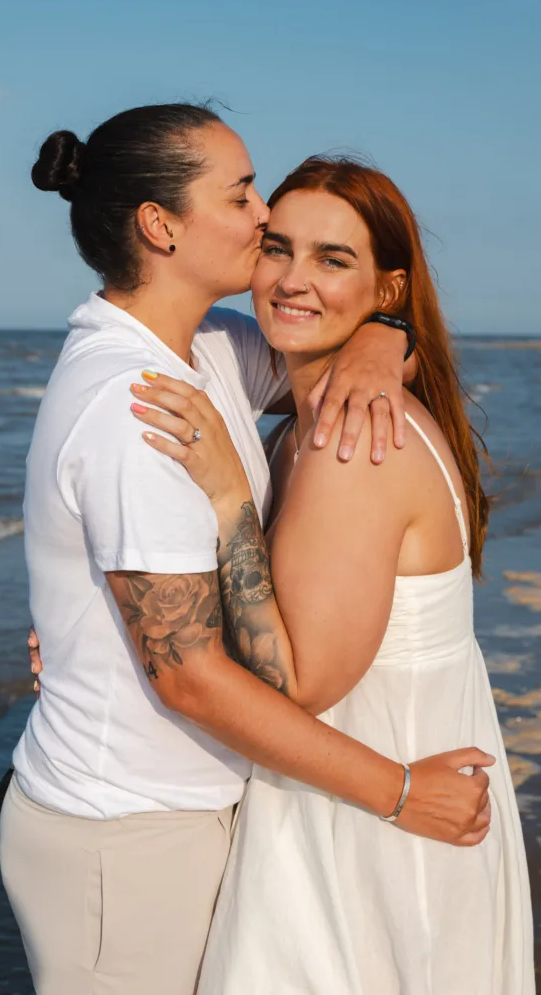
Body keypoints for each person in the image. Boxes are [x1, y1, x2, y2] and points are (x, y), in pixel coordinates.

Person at [0, 104, 493, 995]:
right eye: (240, 197)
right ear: (161, 226)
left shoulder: (212, 353)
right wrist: (397, 791)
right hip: (129, 829)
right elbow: (190, 678)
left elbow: (321, 345)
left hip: (182, 811)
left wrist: (384, 338)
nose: (261, 216)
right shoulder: (138, 408)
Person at [134, 155, 534, 994]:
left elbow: (298, 683)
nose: (292, 279)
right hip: (372, 789)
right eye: (277, 248)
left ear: (387, 288)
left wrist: (229, 497)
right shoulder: (317, 413)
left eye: (332, 258)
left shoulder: (351, 442)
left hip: (371, 813)